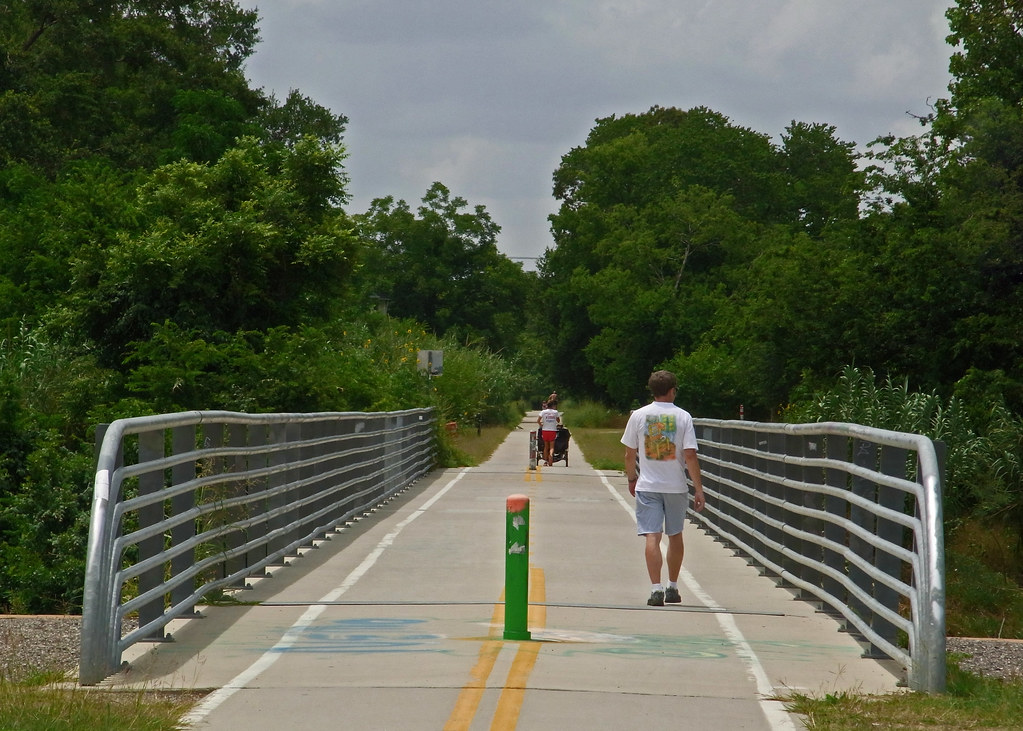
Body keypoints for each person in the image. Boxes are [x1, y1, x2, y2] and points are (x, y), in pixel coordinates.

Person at [620, 370, 706, 606]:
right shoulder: (683, 417)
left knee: (652, 535)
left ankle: (655, 589)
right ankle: (673, 587)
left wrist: (631, 478)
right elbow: (690, 455)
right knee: (675, 534)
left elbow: (629, 453)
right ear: (672, 390)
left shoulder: (638, 415)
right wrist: (698, 489)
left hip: (648, 485)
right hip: (676, 486)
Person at [536, 401, 561, 467]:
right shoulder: (555, 412)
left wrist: (541, 425)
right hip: (552, 430)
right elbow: (558, 421)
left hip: (545, 430)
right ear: (553, 406)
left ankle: (546, 461)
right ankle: (551, 455)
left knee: (546, 446)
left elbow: (538, 421)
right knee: (552, 447)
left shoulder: (543, 412)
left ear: (547, 406)